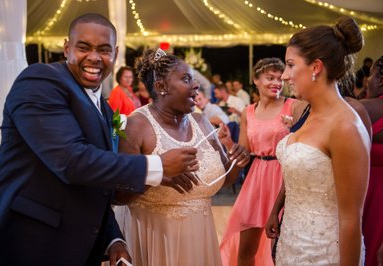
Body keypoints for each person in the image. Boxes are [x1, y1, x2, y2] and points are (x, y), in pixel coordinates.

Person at [0, 13, 200, 266]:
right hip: (25, 242)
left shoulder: (106, 110)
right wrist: (158, 166)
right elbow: (71, 161)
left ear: (115, 54)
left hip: (75, 247)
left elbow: (96, 186)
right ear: (67, 48)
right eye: (84, 47)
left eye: (104, 50)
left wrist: (113, 240)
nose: (95, 57)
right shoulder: (40, 80)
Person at [115, 48, 251, 266]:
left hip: (201, 235)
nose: (196, 85)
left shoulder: (201, 121)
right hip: (156, 237)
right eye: (187, 79)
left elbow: (224, 179)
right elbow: (118, 195)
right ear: (161, 87)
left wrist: (237, 162)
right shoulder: (136, 125)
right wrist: (157, 173)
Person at [273, 16, 370, 265]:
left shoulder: (345, 126)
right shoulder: (309, 112)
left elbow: (351, 219)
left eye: (290, 65)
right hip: (292, 244)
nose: (284, 76)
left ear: (315, 67)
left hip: (325, 254)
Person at [219, 58, 306, 266]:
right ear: (256, 80)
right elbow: (244, 154)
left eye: (279, 78)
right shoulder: (248, 112)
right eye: (270, 78)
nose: (276, 82)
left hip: (283, 177)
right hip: (256, 179)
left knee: (281, 246)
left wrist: (293, 128)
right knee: (245, 248)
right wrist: (228, 142)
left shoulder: (293, 106)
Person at [360, 55, 383, 266]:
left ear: (380, 80)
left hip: (367, 192)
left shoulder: (363, 108)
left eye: (371, 75)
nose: (368, 80)